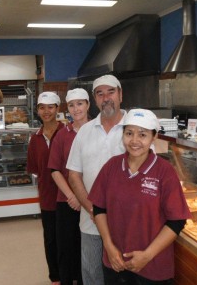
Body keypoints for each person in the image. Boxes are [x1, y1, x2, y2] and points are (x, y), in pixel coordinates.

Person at [88, 108, 191, 285]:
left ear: (154, 137)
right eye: (129, 133)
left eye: (142, 135)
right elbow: (99, 208)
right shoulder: (112, 166)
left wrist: (147, 255)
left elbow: (177, 221)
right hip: (115, 262)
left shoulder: (164, 172)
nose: (134, 141)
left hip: (153, 266)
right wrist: (109, 246)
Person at [66, 75, 126, 285]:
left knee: (122, 276)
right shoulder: (85, 132)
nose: (106, 97)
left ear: (120, 94)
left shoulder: (135, 129)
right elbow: (74, 174)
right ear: (94, 99)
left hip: (125, 223)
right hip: (90, 222)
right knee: (92, 275)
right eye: (100, 93)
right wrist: (92, 209)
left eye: (110, 91)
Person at [48, 88, 90, 285]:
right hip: (67, 201)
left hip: (92, 201)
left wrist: (84, 199)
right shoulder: (62, 135)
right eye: (72, 105)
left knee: (87, 247)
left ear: (88, 105)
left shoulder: (97, 132)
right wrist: (72, 197)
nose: (76, 109)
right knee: (66, 248)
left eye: (80, 104)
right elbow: (55, 170)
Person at [27, 91, 64, 285]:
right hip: (48, 198)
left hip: (69, 197)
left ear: (58, 109)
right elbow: (35, 170)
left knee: (68, 238)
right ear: (38, 110)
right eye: (42, 107)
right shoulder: (35, 139)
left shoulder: (67, 133)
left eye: (51, 107)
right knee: (50, 239)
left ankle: (71, 275)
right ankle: (55, 277)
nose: (46, 111)